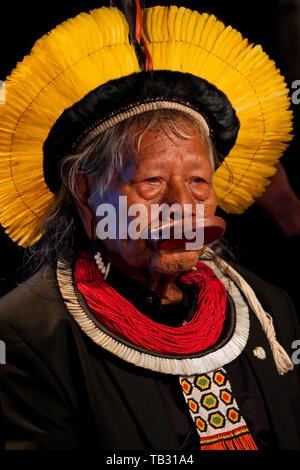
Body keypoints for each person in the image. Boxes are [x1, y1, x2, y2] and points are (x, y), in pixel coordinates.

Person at [0, 2, 299, 451]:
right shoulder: (29, 334)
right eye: (152, 182)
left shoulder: (268, 309)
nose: (183, 205)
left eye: (199, 181)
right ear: (86, 194)